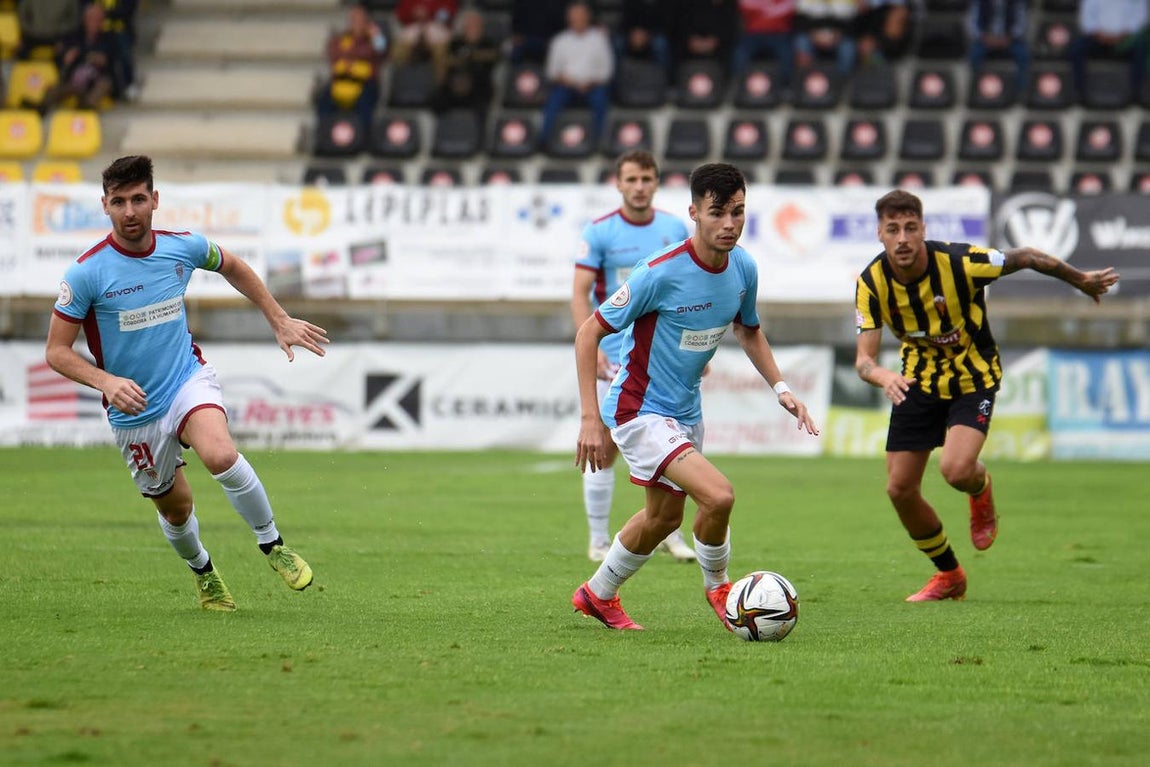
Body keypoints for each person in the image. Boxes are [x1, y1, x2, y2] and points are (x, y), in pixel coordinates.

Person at [45, 155, 330, 612]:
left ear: (155, 200)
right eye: (119, 201)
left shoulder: (182, 247)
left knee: (220, 454)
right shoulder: (86, 273)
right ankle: (204, 571)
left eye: (139, 199)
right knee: (176, 510)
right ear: (105, 206)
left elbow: (232, 265)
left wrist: (277, 319)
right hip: (133, 410)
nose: (130, 211)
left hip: (185, 380)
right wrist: (107, 381)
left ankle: (272, 544)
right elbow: (56, 352)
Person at [571, 162, 820, 631]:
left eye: (738, 213)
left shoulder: (743, 266)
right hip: (639, 409)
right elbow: (588, 333)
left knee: (663, 519)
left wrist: (782, 389)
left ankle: (596, 595)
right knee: (719, 496)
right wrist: (591, 419)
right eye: (718, 213)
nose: (729, 224)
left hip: (686, 409)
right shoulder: (659, 273)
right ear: (694, 213)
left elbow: (749, 331)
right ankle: (721, 590)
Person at [854, 189, 1120, 603]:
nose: (902, 238)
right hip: (917, 382)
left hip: (972, 377)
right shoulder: (871, 284)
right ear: (880, 235)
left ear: (923, 229)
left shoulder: (961, 263)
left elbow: (1029, 256)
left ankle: (981, 488)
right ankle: (950, 576)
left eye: (910, 228)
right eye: (893, 230)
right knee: (899, 490)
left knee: (957, 471)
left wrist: (1080, 280)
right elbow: (864, 362)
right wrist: (883, 374)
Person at [571, 150, 693, 564]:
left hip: (662, 355)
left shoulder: (675, 228)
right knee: (603, 447)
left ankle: (667, 531)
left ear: (656, 183)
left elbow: (687, 289)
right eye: (632, 179)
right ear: (618, 184)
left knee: (673, 443)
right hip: (612, 355)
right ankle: (599, 538)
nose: (640, 186)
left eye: (647, 179)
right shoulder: (601, 232)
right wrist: (591, 347)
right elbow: (580, 292)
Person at [539, 1, 614, 146]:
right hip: (567, 86)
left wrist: (590, 82)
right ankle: (544, 140)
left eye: (580, 15)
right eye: (573, 16)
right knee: (552, 102)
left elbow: (607, 71)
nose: (577, 19)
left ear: (587, 17)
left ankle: (598, 141)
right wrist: (568, 81)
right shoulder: (559, 40)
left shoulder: (599, 39)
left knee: (601, 101)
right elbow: (552, 71)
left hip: (592, 86)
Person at [315, 2, 388, 129]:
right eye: (353, 19)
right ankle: (325, 136)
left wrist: (375, 35)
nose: (356, 22)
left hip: (365, 84)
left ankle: (364, 138)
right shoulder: (341, 38)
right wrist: (359, 57)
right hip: (340, 82)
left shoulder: (374, 38)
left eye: (360, 19)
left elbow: (381, 51)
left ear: (367, 21)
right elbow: (333, 53)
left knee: (366, 103)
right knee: (323, 100)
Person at [37, 3, 117, 114]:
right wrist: (66, 57)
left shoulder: (109, 39)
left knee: (104, 84)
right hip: (76, 80)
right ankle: (40, 109)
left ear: (102, 21)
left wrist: (102, 60)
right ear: (85, 19)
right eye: (91, 18)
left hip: (97, 80)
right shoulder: (75, 37)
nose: (94, 22)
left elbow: (111, 63)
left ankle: (87, 108)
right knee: (54, 89)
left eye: (98, 19)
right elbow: (62, 57)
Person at [1069, 0, 1149, 99]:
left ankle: (1136, 92)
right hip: (1098, 40)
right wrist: (1102, 36)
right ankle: (1080, 92)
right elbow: (1086, 21)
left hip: (1126, 41)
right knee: (1076, 48)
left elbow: (1140, 21)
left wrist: (1119, 37)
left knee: (1142, 47)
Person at [433, 9, 500, 119]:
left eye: (475, 25)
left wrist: (471, 55)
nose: (472, 28)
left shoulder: (488, 43)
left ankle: (479, 133)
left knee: (483, 103)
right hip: (454, 86)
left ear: (481, 26)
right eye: (469, 25)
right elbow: (446, 59)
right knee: (437, 98)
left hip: (478, 86)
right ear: (463, 28)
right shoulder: (456, 42)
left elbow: (493, 56)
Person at [967, 0, 1029, 92]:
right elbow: (973, 24)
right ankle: (977, 88)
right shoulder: (979, 2)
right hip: (986, 40)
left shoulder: (1017, 2)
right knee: (974, 55)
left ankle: (1020, 91)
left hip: (1009, 40)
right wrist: (984, 37)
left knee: (1023, 55)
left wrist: (1009, 38)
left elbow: (1021, 24)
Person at [390, 0, 458, 85]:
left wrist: (430, 13)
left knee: (441, 52)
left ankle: (440, 84)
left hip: (437, 26)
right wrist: (413, 13)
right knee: (397, 51)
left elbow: (449, 13)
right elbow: (400, 15)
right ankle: (401, 84)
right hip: (414, 25)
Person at [732, 0, 797, 86]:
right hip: (753, 35)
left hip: (779, 34)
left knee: (787, 54)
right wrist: (770, 9)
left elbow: (788, 9)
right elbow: (744, 6)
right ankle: (738, 85)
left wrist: (763, 9)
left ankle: (786, 87)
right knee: (740, 54)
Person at [508, 0, 567, 65]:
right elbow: (516, 18)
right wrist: (516, 33)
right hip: (525, 39)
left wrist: (559, 41)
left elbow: (566, 21)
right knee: (515, 57)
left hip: (552, 40)